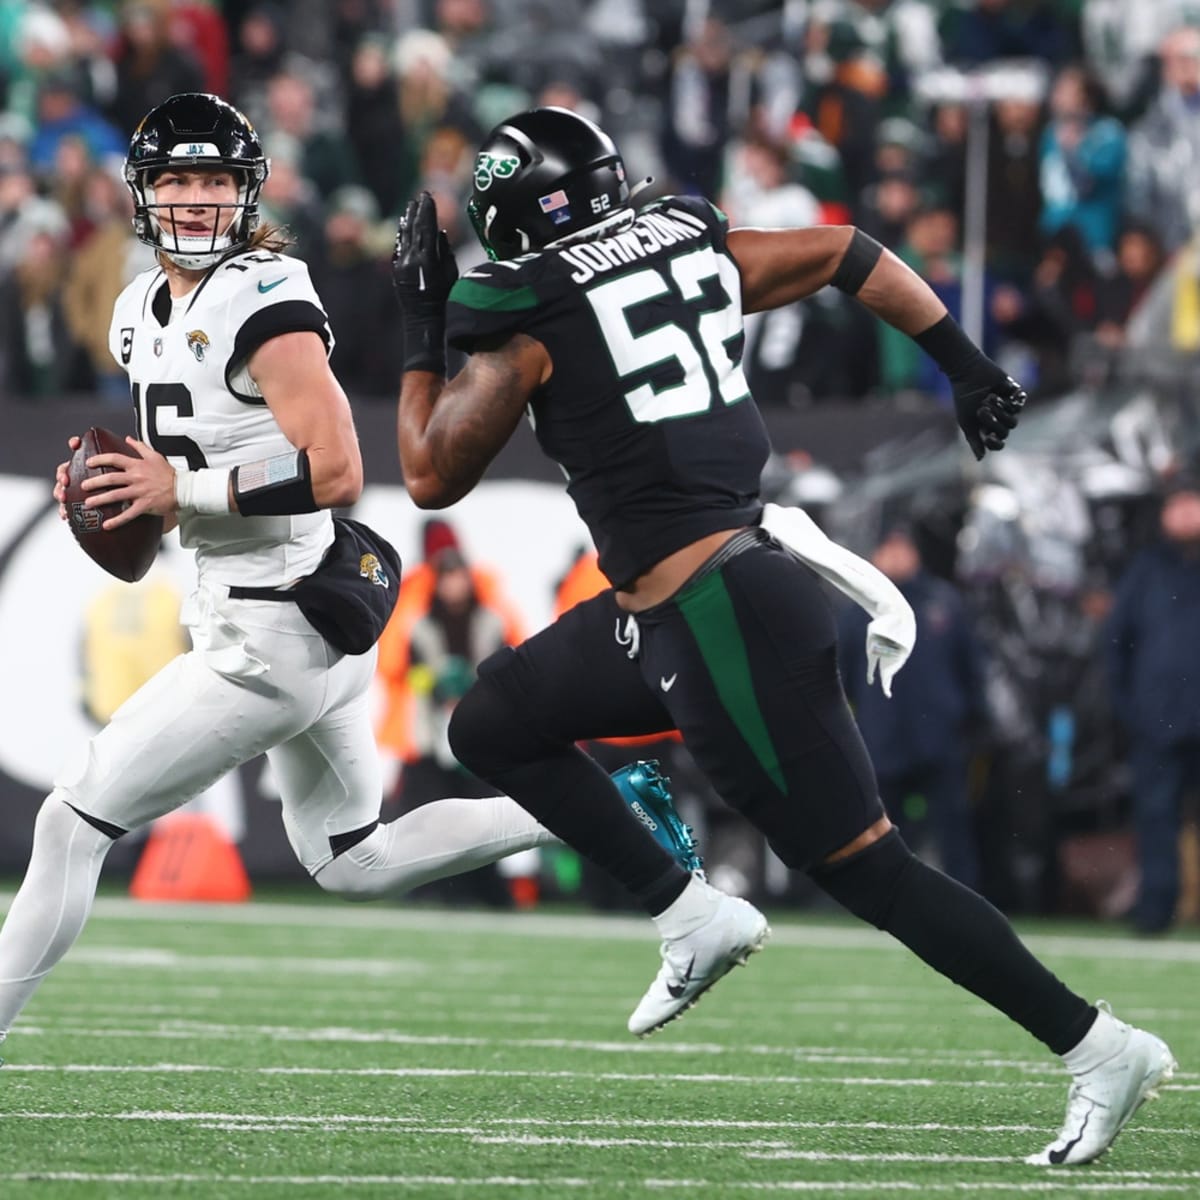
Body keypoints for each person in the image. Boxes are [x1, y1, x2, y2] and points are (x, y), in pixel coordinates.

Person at [391, 105, 1176, 1165]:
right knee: (494, 721)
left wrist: (417, 324)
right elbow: (851, 251)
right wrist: (965, 363)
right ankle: (687, 912)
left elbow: (431, 474)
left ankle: (1097, 1045)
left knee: (872, 873)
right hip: (692, 599)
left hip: (723, 614)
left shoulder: (528, 314)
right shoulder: (680, 238)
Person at [0, 93, 730, 1058]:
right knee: (353, 859)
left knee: (70, 822)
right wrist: (109, 487)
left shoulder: (264, 298)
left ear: (245, 188)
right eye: (175, 179)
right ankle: (596, 811)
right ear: (141, 191)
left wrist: (181, 490)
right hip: (301, 619)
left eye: (213, 179)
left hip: (269, 637)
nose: (194, 199)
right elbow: (184, 452)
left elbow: (337, 468)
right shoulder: (141, 309)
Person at [837, 524, 987, 890]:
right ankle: (882, 894)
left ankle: (965, 898)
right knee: (882, 830)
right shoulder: (858, 611)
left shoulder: (943, 602)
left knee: (953, 828)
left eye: (902, 548)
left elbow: (971, 667)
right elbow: (841, 674)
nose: (895, 557)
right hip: (882, 739)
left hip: (938, 738)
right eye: (888, 548)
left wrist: (970, 718)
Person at [1107, 471, 1200, 934]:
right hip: (1157, 722)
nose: (1185, 513)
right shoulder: (1146, 569)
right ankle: (1155, 911)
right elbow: (1116, 643)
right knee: (1156, 819)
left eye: (1192, 503)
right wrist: (1132, 709)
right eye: (1177, 504)